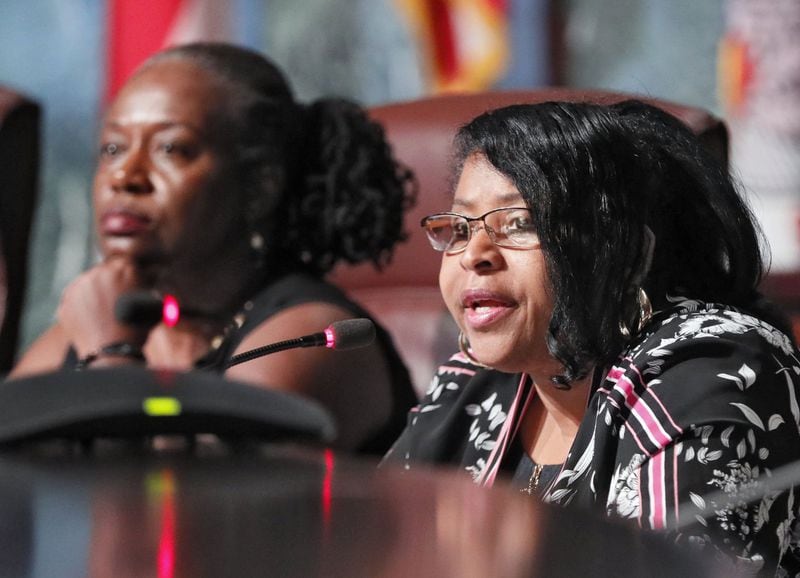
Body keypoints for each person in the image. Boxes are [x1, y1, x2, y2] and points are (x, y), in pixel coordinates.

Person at [382, 100, 800, 574]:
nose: (474, 254)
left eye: (519, 223)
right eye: (460, 227)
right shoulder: (471, 382)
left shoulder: (710, 368)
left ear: (622, 253)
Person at [10, 42, 418, 455]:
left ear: (261, 187)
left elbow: (177, 504)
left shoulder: (308, 339)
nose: (124, 176)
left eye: (170, 148)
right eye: (113, 148)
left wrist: (109, 356)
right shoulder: (98, 322)